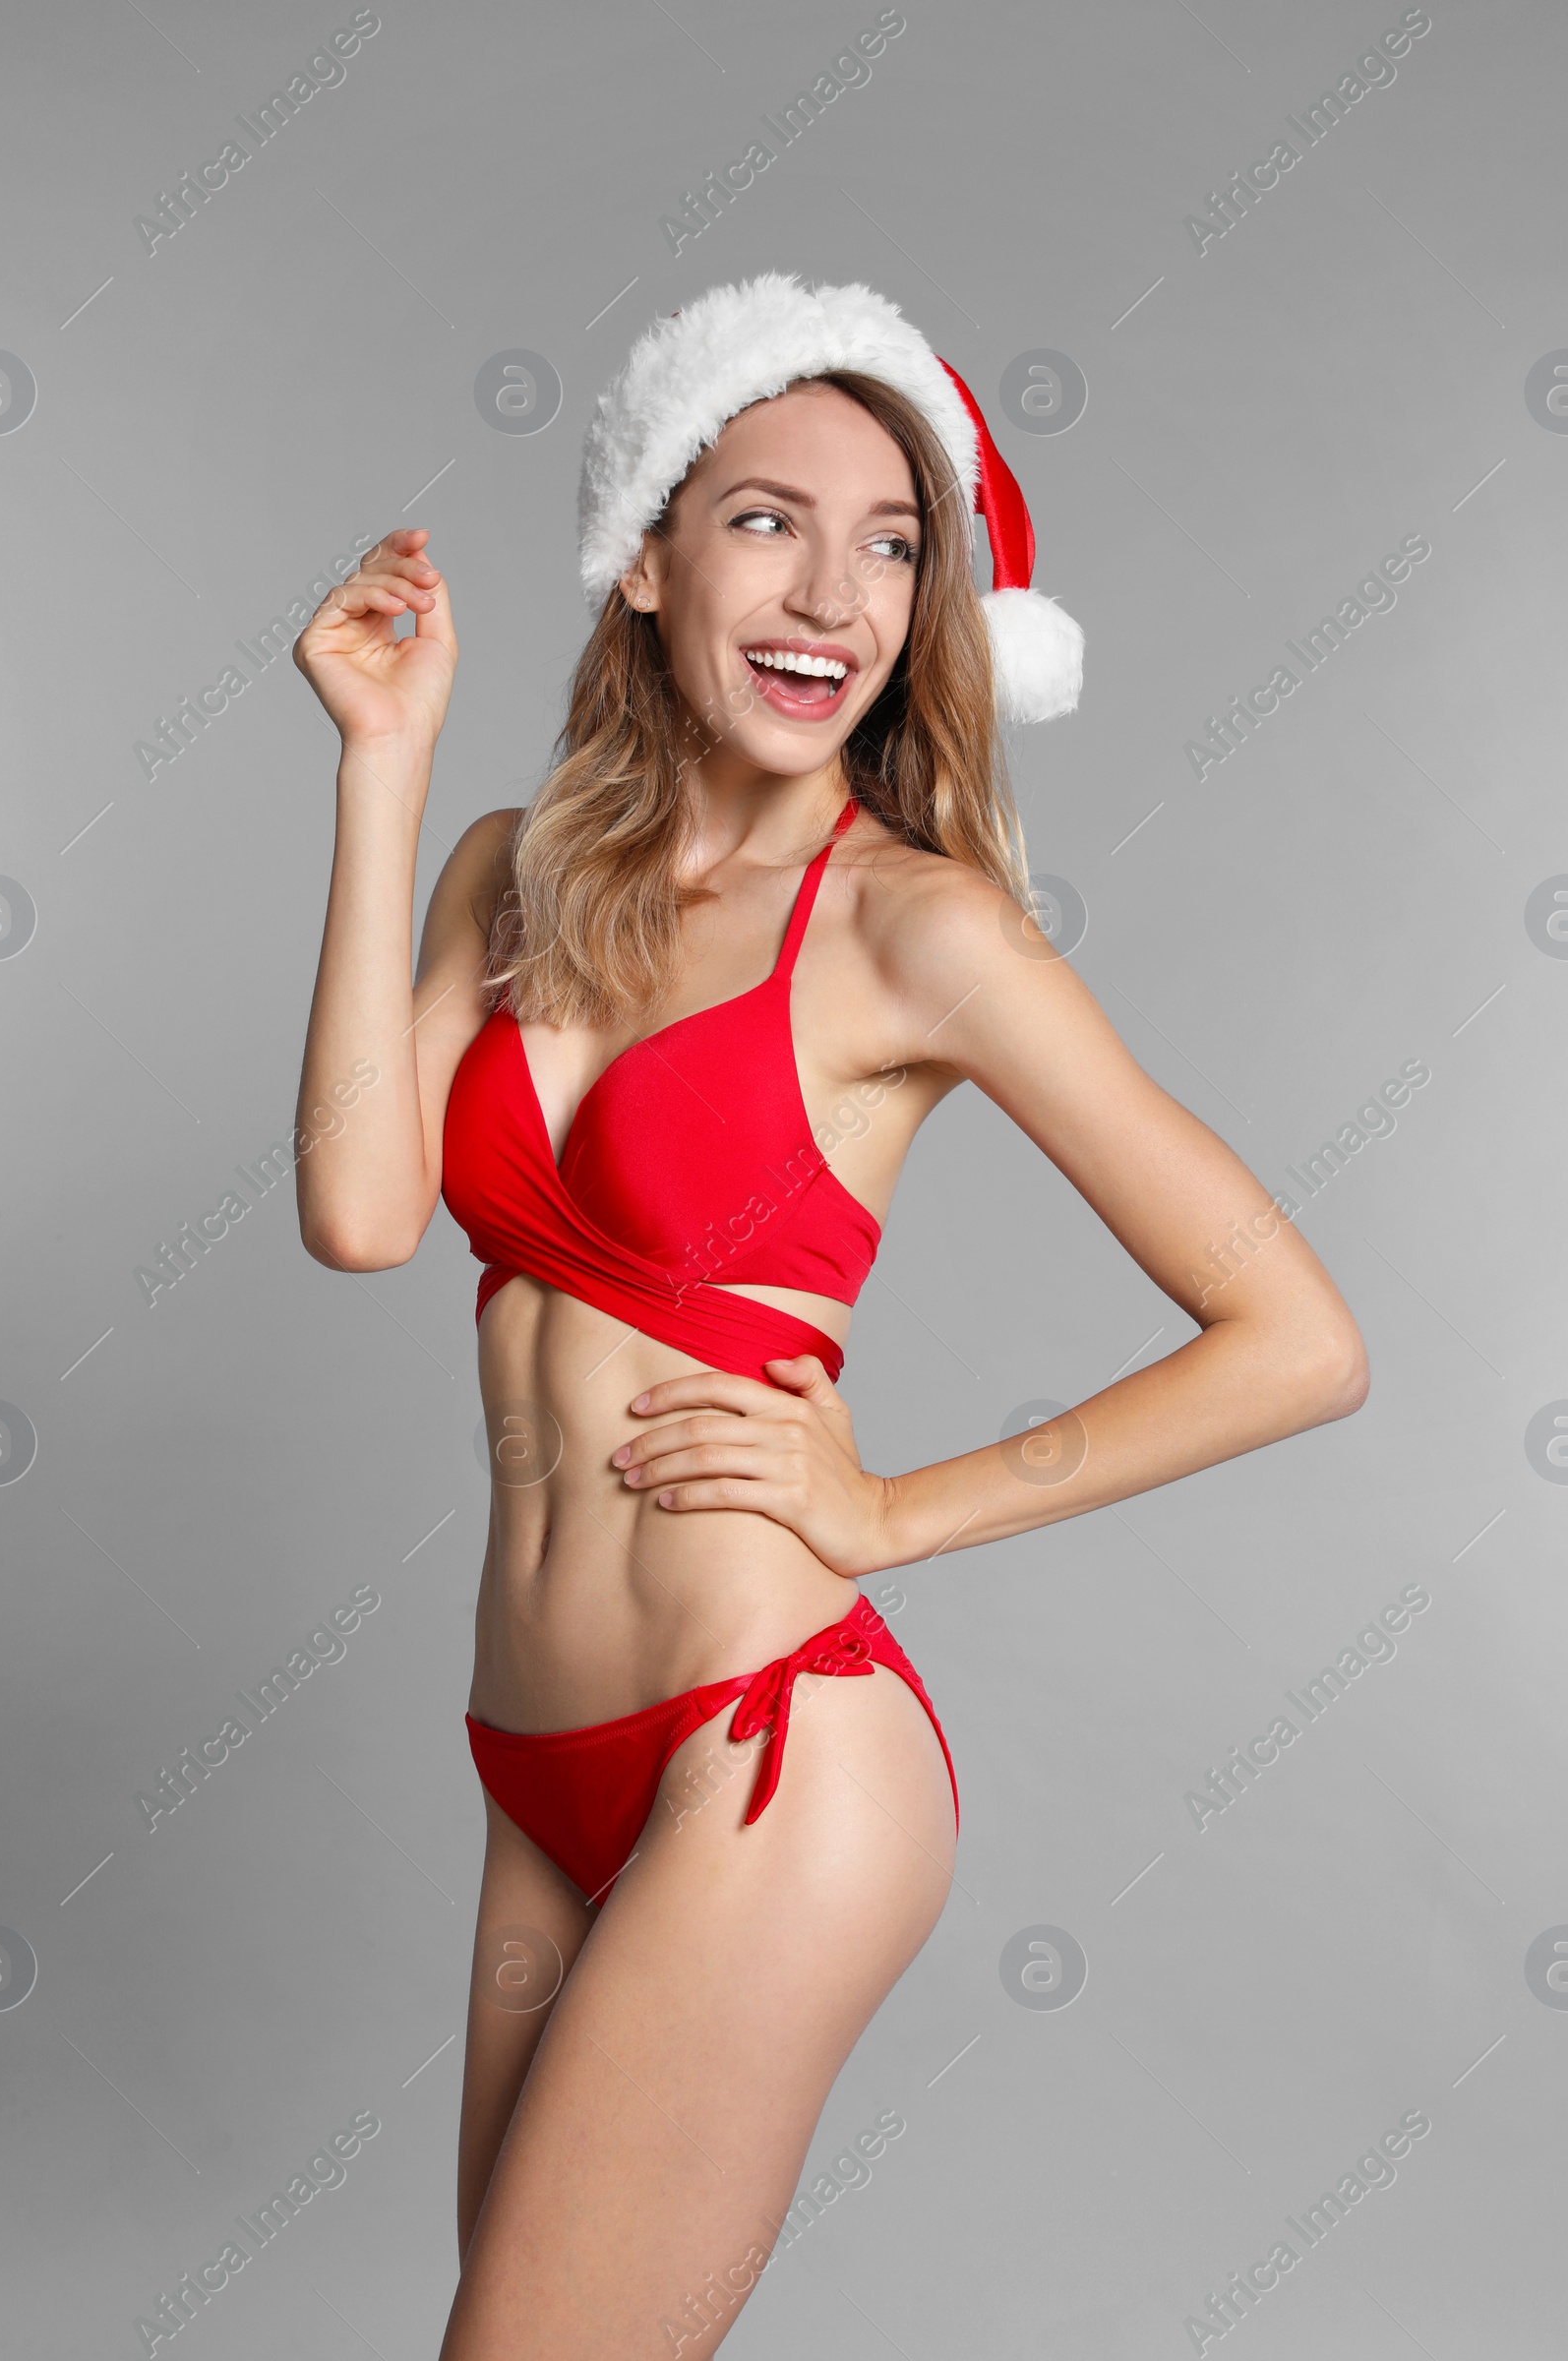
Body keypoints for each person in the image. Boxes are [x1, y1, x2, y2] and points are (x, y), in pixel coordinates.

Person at [291, 272, 1367, 2357]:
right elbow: (356, 1208)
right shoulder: (506, 876)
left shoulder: (913, 928)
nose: (836, 592)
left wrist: (887, 1514)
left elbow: (1295, 1338)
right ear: (644, 558)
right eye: (771, 517)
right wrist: (383, 768)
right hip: (534, 1763)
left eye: (893, 545)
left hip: (766, 1754)